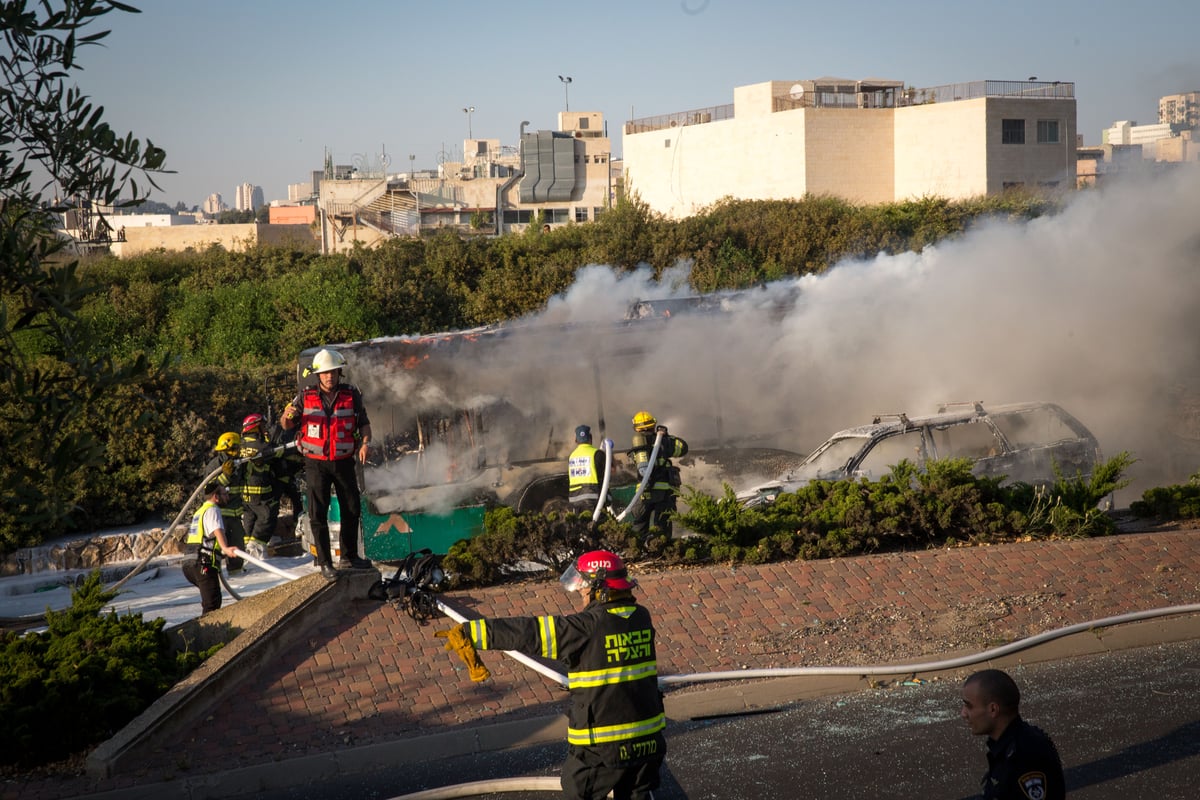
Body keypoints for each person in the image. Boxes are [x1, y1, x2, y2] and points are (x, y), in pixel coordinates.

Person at [436, 550, 665, 800]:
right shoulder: (642, 618)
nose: (581, 597)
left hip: (602, 747)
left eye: (583, 590)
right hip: (649, 742)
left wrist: (471, 633)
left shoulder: (585, 627)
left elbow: (530, 633)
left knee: (577, 789)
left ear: (600, 588)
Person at [281, 347, 373, 579]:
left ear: (339, 373)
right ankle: (325, 563)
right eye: (325, 373)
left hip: (344, 462)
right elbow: (286, 425)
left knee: (352, 508)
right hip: (315, 463)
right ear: (317, 375)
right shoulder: (304, 396)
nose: (329, 376)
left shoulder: (351, 394)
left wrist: (365, 443)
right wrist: (287, 416)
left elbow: (363, 421)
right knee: (318, 514)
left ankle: (349, 557)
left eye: (333, 372)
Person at [961, 669, 1065, 800]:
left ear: (993, 709)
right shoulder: (1011, 744)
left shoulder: (1024, 757)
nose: (963, 713)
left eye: (969, 706)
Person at [627, 411, 688, 539]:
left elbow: (643, 469)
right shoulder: (664, 441)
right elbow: (683, 448)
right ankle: (661, 549)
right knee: (662, 524)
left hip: (644, 491)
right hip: (664, 491)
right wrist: (667, 437)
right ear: (653, 425)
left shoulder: (638, 443)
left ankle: (638, 550)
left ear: (636, 428)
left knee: (639, 524)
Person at [181, 480, 237, 614]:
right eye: (224, 494)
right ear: (216, 497)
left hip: (190, 563)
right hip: (203, 563)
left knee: (211, 600)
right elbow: (217, 530)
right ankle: (206, 632)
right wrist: (225, 548)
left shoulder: (200, 511)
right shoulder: (213, 509)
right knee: (212, 604)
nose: (227, 497)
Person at [239, 412, 280, 559]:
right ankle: (255, 549)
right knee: (266, 516)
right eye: (263, 425)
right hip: (260, 493)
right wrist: (273, 436)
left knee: (249, 519)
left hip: (245, 493)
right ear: (256, 427)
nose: (265, 428)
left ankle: (247, 549)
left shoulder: (241, 444)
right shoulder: (261, 445)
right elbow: (277, 453)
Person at [205, 431, 247, 574]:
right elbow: (208, 491)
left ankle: (236, 574)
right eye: (233, 449)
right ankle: (211, 575)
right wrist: (225, 476)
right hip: (219, 515)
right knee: (217, 547)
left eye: (237, 449)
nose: (236, 452)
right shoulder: (215, 466)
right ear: (224, 450)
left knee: (238, 544)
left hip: (235, 512)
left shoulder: (239, 463)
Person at [568, 424, 610, 511]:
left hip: (574, 500)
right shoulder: (597, 454)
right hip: (592, 499)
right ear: (590, 438)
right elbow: (604, 478)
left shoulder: (572, 456)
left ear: (576, 440)